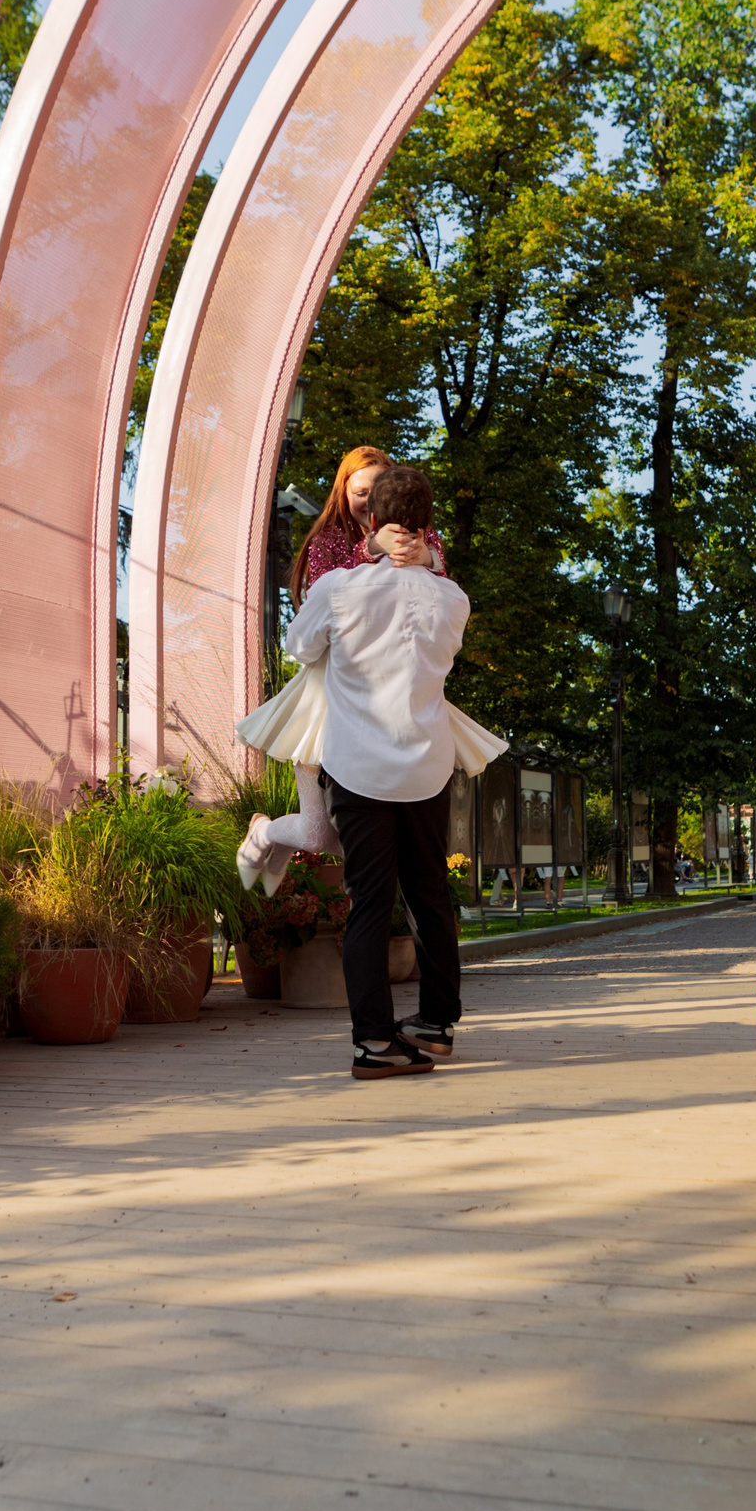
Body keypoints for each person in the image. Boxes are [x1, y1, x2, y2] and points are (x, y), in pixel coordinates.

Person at [281, 465, 494, 1078]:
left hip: (358, 767)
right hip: (426, 766)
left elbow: (300, 648)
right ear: (427, 529)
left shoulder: (340, 590)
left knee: (369, 903)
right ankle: (437, 1024)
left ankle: (373, 1042)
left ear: (370, 523)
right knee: (430, 894)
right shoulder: (453, 599)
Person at [233, 445, 447, 890]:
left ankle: (280, 841)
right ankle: (265, 833)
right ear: (343, 491)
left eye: (377, 490)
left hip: (391, 700)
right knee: (319, 832)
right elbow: (323, 603)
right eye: (360, 491)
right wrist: (372, 548)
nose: (369, 500)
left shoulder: (424, 537)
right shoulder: (327, 539)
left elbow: (441, 592)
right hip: (323, 698)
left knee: (362, 841)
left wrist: (427, 558)